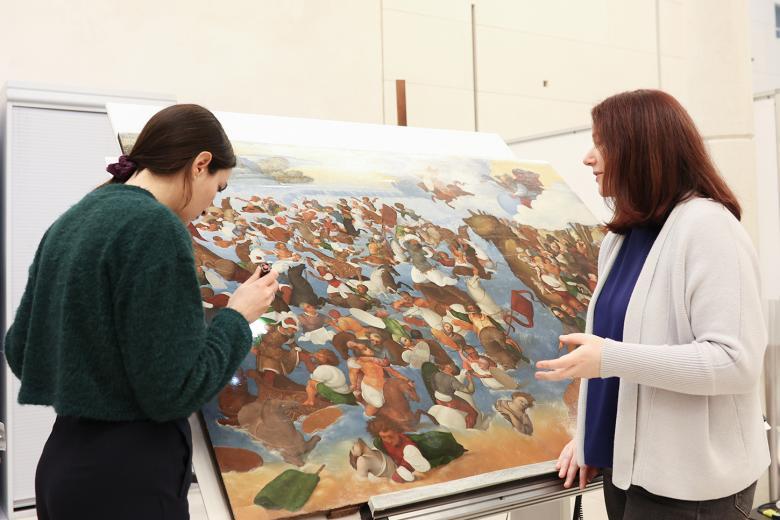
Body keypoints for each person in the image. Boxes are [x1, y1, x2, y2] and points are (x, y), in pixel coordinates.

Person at [3, 104, 280, 520]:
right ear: (201, 164)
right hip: (128, 482)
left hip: (64, 469)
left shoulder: (77, 216)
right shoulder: (156, 228)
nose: (212, 203)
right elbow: (174, 392)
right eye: (219, 187)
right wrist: (237, 316)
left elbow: (21, 349)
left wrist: (99, 372)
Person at [535, 90, 767, 519]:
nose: (588, 157)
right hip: (625, 473)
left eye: (600, 143)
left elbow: (736, 362)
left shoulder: (709, 228)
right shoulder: (620, 240)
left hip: (692, 487)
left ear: (640, 150)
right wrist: (589, 435)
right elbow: (621, 360)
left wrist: (611, 358)